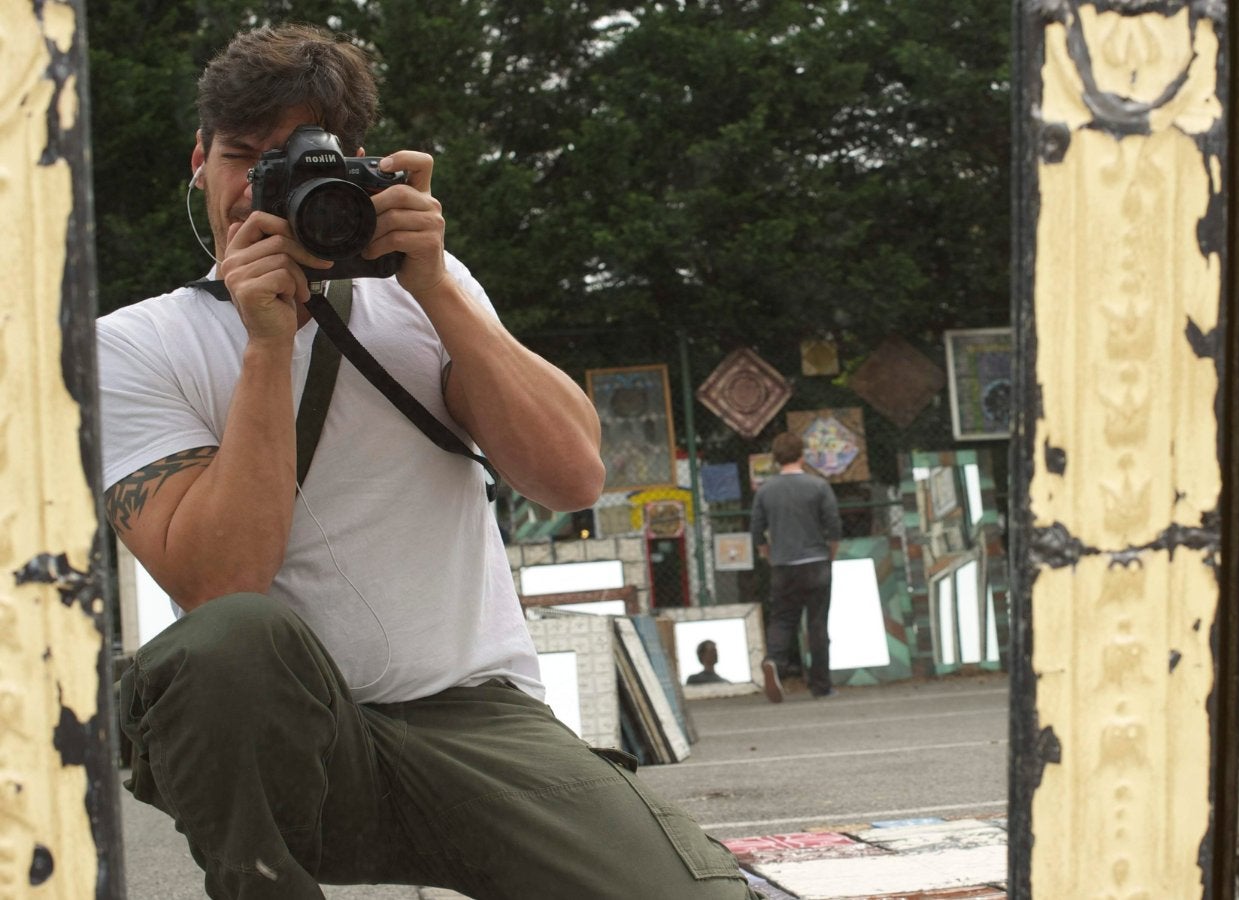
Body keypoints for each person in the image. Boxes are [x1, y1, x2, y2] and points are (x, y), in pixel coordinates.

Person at [99, 24, 753, 900]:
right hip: (294, 743)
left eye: (290, 162)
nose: (259, 187)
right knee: (228, 641)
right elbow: (223, 582)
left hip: (475, 713)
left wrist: (436, 283)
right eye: (241, 157)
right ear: (199, 161)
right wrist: (265, 349)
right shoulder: (131, 347)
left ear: (357, 164)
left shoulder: (429, 296)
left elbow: (572, 478)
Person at [749, 432, 842, 702]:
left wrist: (767, 553)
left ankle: (773, 660)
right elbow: (834, 525)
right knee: (817, 623)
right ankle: (821, 685)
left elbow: (756, 529)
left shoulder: (766, 490)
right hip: (816, 562)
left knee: (783, 618)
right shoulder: (819, 486)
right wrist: (829, 554)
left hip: (783, 564)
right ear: (802, 455)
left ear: (776, 459)